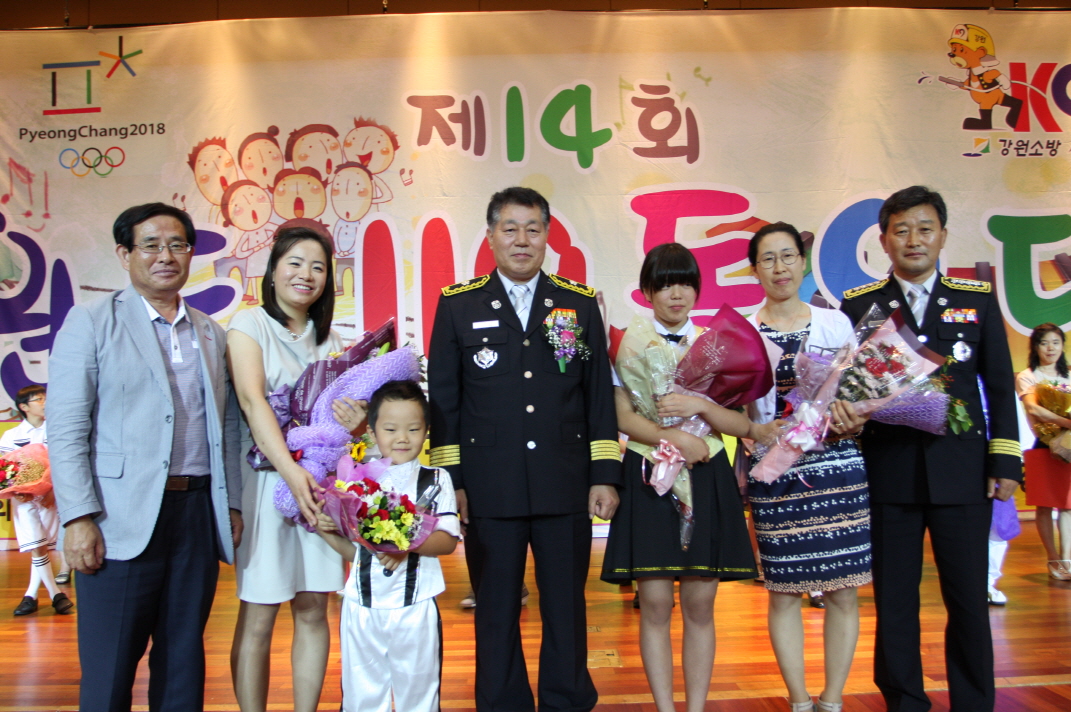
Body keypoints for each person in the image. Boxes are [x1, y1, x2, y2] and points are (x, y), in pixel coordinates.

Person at [427, 186, 621, 711]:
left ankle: (566, 700)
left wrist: (604, 472)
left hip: (564, 480)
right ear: (491, 236)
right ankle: (502, 702)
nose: (521, 240)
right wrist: (452, 483)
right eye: (509, 229)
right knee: (494, 608)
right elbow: (444, 400)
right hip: (490, 486)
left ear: (547, 236)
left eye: (532, 229)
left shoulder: (577, 303)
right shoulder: (458, 304)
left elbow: (596, 393)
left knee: (566, 606)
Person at [49, 202, 243, 712]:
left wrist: (231, 504)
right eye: (151, 245)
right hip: (118, 517)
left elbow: (227, 425)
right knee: (110, 669)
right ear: (125, 254)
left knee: (183, 661)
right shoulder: (91, 322)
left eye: (178, 245)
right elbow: (66, 428)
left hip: (195, 516)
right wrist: (78, 517)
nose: (166, 256)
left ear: (191, 254)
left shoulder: (209, 331)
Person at [840, 186, 1021, 712]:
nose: (913, 239)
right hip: (888, 471)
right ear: (883, 241)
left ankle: (973, 702)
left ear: (942, 236)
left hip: (962, 473)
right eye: (901, 230)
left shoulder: (976, 298)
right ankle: (904, 701)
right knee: (895, 601)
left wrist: (1005, 460)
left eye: (924, 228)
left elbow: (999, 386)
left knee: (967, 600)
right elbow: (844, 385)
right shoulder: (861, 305)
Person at [600, 243, 762, 712]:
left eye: (686, 284)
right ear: (647, 290)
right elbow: (622, 415)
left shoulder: (718, 345)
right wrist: (672, 437)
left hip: (705, 474)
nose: (676, 294)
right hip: (649, 474)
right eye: (665, 284)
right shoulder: (627, 343)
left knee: (700, 606)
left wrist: (699, 408)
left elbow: (740, 424)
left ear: (697, 289)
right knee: (654, 604)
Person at [227, 226, 366, 712]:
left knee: (313, 607)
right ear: (272, 271)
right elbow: (252, 401)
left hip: (320, 491)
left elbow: (345, 428)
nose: (306, 274)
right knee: (259, 613)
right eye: (295, 262)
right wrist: (290, 471)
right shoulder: (249, 325)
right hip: (268, 486)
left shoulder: (333, 341)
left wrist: (357, 420)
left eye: (318, 267)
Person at [745, 223, 873, 712]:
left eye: (788, 256)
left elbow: (862, 393)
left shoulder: (836, 324)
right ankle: (799, 700)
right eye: (768, 259)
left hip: (837, 468)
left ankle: (833, 699)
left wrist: (854, 415)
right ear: (755, 270)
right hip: (775, 471)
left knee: (843, 590)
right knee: (783, 591)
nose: (779, 267)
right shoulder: (744, 332)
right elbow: (736, 409)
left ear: (802, 263)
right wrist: (759, 432)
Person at [316, 380, 460, 712]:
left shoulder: (436, 479)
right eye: (391, 429)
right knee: (361, 697)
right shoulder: (355, 480)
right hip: (361, 606)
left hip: (415, 606)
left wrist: (405, 545)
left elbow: (447, 541)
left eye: (413, 429)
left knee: (419, 695)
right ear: (372, 431)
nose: (402, 438)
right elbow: (357, 554)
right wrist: (325, 530)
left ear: (426, 430)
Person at [1, 385, 73, 615]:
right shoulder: (11, 436)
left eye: (45, 398)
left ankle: (30, 596)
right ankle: (56, 595)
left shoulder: (57, 430)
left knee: (41, 546)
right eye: (38, 399)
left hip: (50, 497)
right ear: (24, 406)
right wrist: (16, 489)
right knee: (36, 544)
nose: (44, 403)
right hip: (23, 500)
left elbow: (64, 463)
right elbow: (6, 468)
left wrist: (52, 489)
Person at [1016, 323, 1071, 581]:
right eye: (1044, 343)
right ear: (1035, 347)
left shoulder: (1069, 375)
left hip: (1069, 446)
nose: (1050, 348)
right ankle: (1053, 558)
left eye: (1055, 342)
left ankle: (1067, 560)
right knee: (1045, 504)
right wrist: (1066, 422)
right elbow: (1033, 409)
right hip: (1044, 445)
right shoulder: (1028, 376)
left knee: (1068, 506)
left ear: (1063, 346)